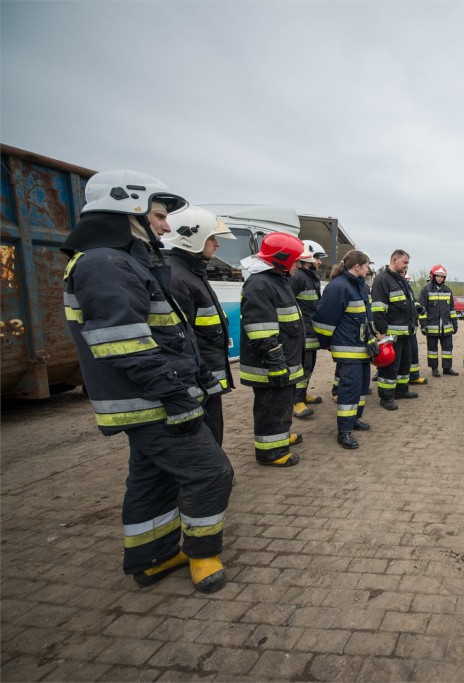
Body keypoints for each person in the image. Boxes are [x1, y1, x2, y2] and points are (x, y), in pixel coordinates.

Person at [61, 170, 232, 593]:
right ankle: (201, 554)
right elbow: (125, 344)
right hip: (153, 401)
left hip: (147, 399)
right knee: (211, 473)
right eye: (158, 215)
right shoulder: (105, 263)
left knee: (151, 478)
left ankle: (152, 557)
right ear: (127, 211)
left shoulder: (119, 261)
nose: (165, 225)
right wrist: (176, 397)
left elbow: (168, 335)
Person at [162, 206, 236, 445]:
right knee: (204, 436)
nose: (217, 244)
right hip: (195, 380)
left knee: (213, 429)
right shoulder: (177, 278)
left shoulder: (192, 273)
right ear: (193, 238)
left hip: (205, 377)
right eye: (212, 238)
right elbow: (179, 339)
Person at [239, 232, 311, 467]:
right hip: (270, 366)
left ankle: (280, 437)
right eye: (296, 261)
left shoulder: (276, 280)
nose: (299, 266)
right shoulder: (260, 284)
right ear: (282, 260)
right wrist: (277, 363)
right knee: (271, 408)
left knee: (281, 404)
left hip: (282, 361)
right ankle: (270, 452)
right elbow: (261, 332)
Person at [313, 250, 374, 449]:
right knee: (349, 390)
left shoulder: (360, 287)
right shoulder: (338, 287)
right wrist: (326, 343)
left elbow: (365, 317)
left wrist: (372, 338)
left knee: (361, 388)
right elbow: (323, 319)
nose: (368, 269)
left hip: (362, 348)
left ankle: (355, 419)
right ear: (357, 266)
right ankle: (344, 431)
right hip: (348, 350)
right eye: (366, 266)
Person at [370, 249, 419, 409]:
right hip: (392, 335)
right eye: (405, 262)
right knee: (390, 367)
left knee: (405, 364)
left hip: (407, 332)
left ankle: (401, 390)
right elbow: (378, 309)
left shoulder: (401, 280)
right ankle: (386, 397)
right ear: (394, 259)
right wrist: (382, 333)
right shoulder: (382, 280)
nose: (406, 266)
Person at [291, 240, 327, 418]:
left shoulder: (310, 278)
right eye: (317, 258)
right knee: (302, 367)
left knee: (309, 365)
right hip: (301, 333)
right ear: (308, 258)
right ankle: (296, 402)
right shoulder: (297, 278)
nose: (319, 262)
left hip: (310, 331)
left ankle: (303, 394)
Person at [419, 264, 459, 377]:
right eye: (438, 276)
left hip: (446, 326)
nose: (440, 278)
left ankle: (447, 368)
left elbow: (452, 308)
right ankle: (434, 368)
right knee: (432, 349)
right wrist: (423, 325)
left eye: (442, 277)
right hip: (432, 326)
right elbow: (422, 310)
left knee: (447, 348)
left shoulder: (448, 290)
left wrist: (455, 323)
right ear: (433, 276)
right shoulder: (425, 290)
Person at [407, 273, 428, 386]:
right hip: (402, 327)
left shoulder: (407, 287)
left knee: (413, 353)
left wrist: (418, 307)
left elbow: (412, 301)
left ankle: (414, 376)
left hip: (411, 327)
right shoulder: (395, 285)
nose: (408, 281)